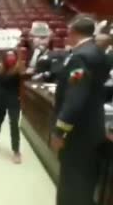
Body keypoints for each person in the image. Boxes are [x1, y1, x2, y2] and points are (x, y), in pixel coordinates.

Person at [52, 16, 109, 205]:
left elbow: (75, 98)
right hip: (93, 127)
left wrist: (60, 131)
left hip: (78, 133)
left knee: (72, 184)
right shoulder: (98, 52)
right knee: (85, 182)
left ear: (73, 33)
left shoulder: (80, 58)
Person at [0, 50, 24, 164]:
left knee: (14, 123)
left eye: (13, 56)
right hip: (1, 98)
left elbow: (22, 72)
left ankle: (16, 151)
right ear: (5, 58)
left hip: (14, 98)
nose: (10, 58)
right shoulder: (0, 68)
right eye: (8, 56)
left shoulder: (19, 68)